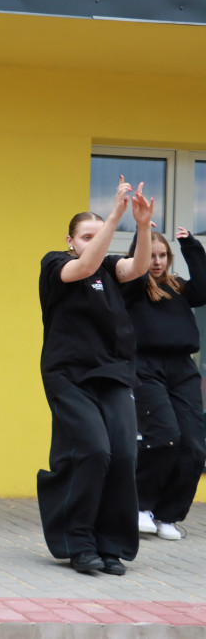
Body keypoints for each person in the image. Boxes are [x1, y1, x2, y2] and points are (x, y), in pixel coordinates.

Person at [37, 176, 153, 576]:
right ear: (70, 240)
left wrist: (140, 225)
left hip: (113, 374)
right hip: (67, 375)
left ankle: (111, 545)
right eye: (85, 235)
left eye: (96, 233)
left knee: (123, 454)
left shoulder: (108, 267)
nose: (92, 241)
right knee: (93, 451)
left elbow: (137, 268)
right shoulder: (56, 264)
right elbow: (83, 266)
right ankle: (79, 543)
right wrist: (115, 216)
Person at [126, 228, 206, 541]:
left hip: (182, 369)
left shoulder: (178, 288)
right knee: (163, 436)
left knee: (194, 447)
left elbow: (203, 288)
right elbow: (133, 271)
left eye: (162, 256)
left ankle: (167, 515)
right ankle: (140, 506)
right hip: (145, 367)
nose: (157, 262)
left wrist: (190, 245)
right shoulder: (131, 289)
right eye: (151, 255)